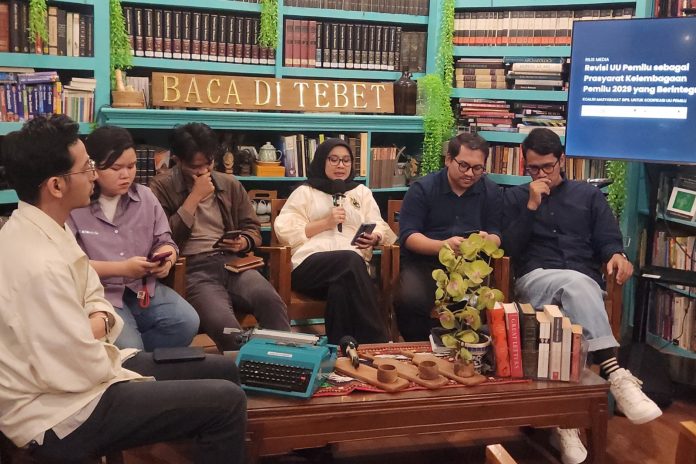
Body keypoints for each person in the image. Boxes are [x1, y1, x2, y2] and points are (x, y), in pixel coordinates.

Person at [0, 115, 246, 463]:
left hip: (85, 374)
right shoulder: (38, 263)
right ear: (56, 186)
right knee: (226, 401)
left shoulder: (47, 227)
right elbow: (74, 369)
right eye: (87, 168)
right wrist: (128, 371)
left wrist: (100, 320)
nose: (93, 176)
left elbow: (92, 294)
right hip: (61, 412)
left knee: (223, 369)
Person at [502, 127, 661, 464]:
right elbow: (509, 249)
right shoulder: (515, 198)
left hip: (583, 286)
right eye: (533, 168)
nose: (541, 174)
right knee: (577, 284)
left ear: (562, 160)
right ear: (524, 164)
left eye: (547, 166)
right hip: (535, 280)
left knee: (576, 291)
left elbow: (608, 240)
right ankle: (614, 372)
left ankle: (565, 424)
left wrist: (617, 255)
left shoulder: (588, 196)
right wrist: (531, 206)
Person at [149, 122, 290, 351]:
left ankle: (284, 359)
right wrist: (194, 197)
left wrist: (243, 242)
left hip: (232, 263)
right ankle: (246, 366)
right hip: (192, 269)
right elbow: (163, 238)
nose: (204, 171)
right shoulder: (161, 187)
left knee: (270, 301)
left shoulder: (228, 183)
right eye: (195, 167)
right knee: (226, 329)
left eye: (209, 163)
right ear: (178, 160)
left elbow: (252, 228)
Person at [68, 125, 199, 351]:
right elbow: (71, 265)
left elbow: (165, 241)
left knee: (186, 322)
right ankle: (133, 361)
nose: (126, 175)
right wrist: (122, 268)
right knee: (129, 345)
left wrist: (166, 259)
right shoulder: (76, 205)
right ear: (93, 168)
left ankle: (137, 363)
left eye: (131, 166)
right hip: (99, 294)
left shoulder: (145, 197)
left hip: (143, 288)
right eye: (116, 168)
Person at [274, 138, 396, 344]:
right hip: (310, 267)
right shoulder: (305, 192)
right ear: (322, 161)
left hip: (350, 270)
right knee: (350, 261)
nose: (341, 165)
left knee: (340, 287)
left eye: (346, 160)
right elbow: (285, 230)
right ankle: (378, 342)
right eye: (334, 159)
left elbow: (379, 224)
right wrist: (325, 223)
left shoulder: (361, 193)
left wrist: (375, 237)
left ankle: (339, 349)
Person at [394, 133, 502, 341]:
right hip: (425, 263)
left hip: (472, 268)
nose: (469, 173)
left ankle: (462, 348)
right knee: (409, 299)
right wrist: (443, 245)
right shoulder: (423, 188)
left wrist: (486, 240)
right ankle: (423, 347)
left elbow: (496, 234)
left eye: (477, 168)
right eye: (463, 165)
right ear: (448, 160)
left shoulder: (491, 191)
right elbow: (409, 236)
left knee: (475, 304)